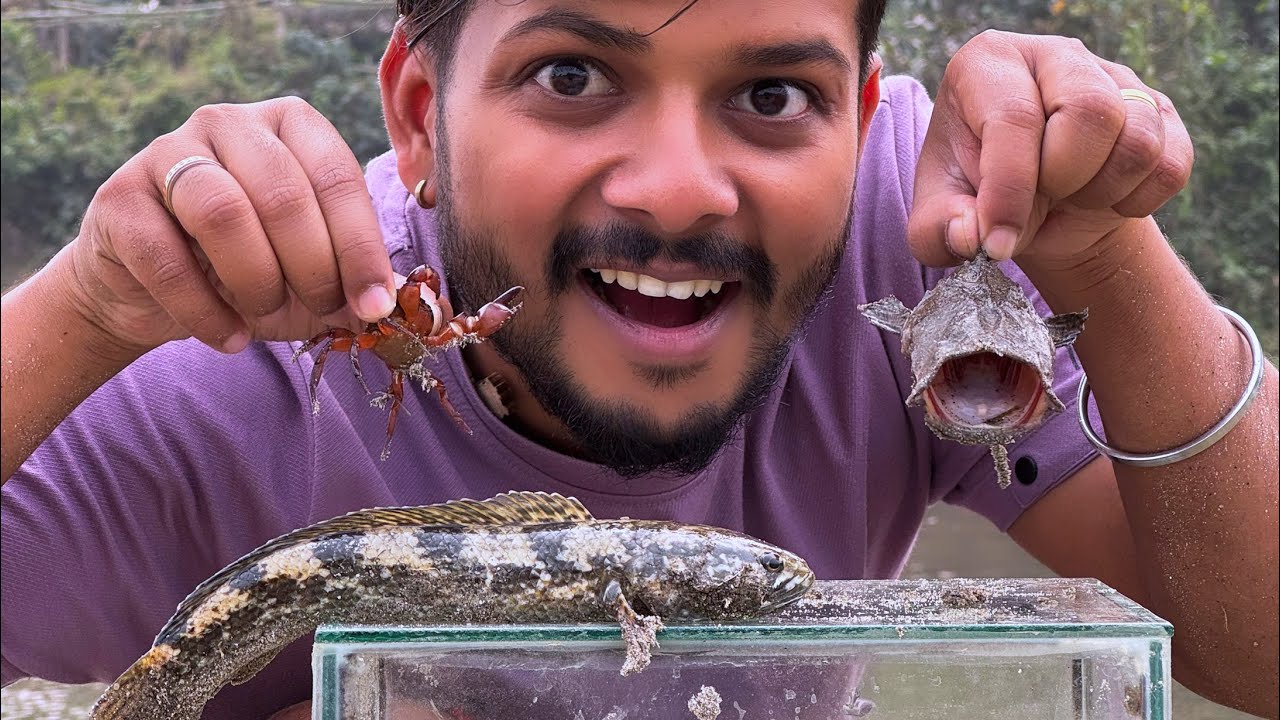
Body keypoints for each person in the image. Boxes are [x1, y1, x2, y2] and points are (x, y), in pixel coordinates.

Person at [1, 0, 1276, 718]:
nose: (677, 191)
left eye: (773, 95)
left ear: (863, 120)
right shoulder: (215, 355)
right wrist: (84, 312)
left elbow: (1252, 652)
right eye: (570, 74)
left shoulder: (912, 241)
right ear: (415, 117)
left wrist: (1105, 250)